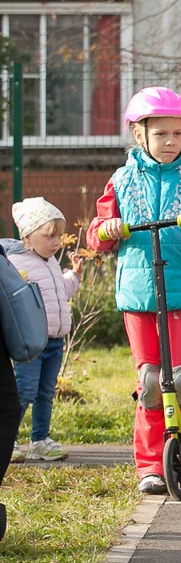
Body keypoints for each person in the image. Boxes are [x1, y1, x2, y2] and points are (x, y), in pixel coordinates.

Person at [88, 88, 181, 494]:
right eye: (161, 134)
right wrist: (107, 230)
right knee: (150, 381)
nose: (169, 142)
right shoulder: (122, 180)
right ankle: (150, 463)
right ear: (138, 134)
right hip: (138, 293)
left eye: (176, 134)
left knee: (179, 377)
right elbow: (98, 234)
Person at [5, 199, 80, 464]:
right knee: (24, 391)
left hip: (55, 341)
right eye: (49, 236)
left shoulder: (50, 263)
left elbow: (60, 293)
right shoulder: (15, 263)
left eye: (59, 235)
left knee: (45, 393)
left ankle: (40, 440)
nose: (56, 241)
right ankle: (9, 440)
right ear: (27, 236)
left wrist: (74, 277)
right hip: (32, 341)